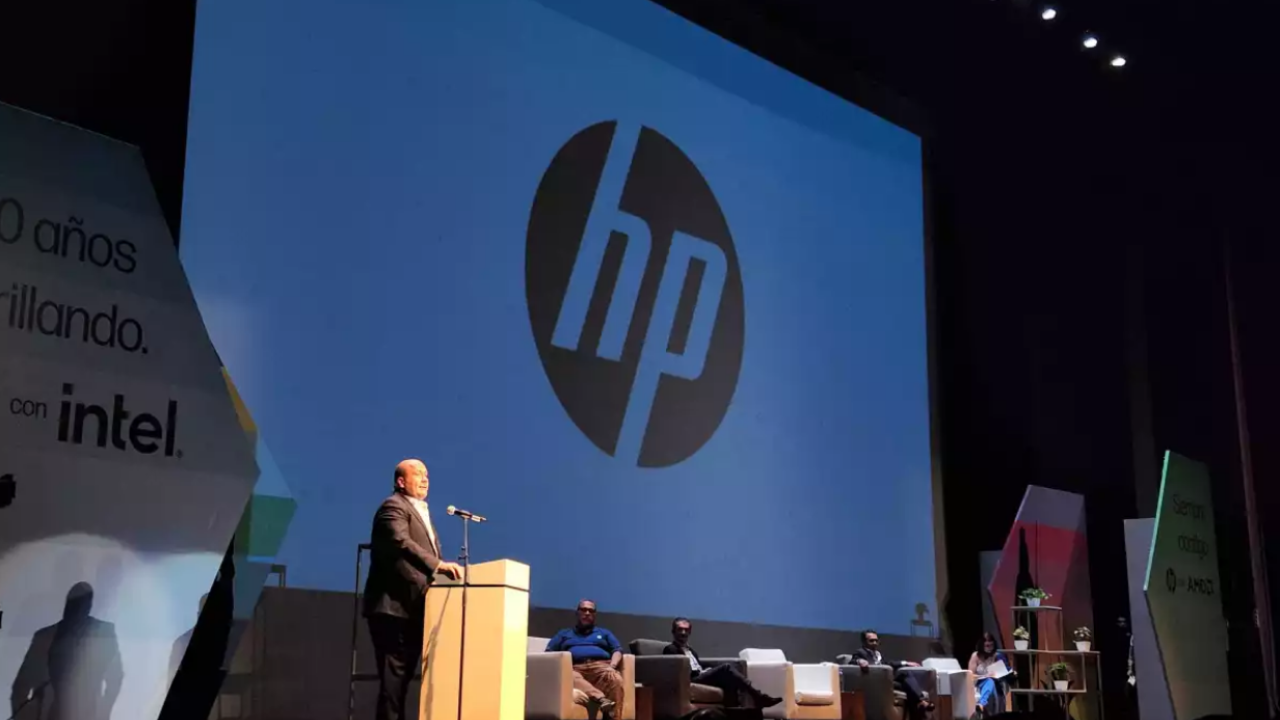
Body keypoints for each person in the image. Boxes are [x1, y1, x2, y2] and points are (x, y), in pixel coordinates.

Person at [362, 459, 464, 720]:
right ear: (400, 481)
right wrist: (438, 565)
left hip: (413, 609)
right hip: (392, 609)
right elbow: (401, 541)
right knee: (393, 686)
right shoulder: (393, 506)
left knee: (401, 684)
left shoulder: (420, 511)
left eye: (426, 474)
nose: (425, 478)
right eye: (418, 474)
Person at [665, 617, 782, 709]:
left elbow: (698, 667)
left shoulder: (692, 651)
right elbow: (677, 670)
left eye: (686, 630)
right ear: (673, 631)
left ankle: (734, 711)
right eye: (680, 629)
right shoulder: (671, 649)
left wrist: (706, 671)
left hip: (700, 675)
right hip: (690, 679)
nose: (683, 633)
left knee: (730, 677)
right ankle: (757, 696)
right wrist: (704, 672)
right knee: (726, 668)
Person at [546, 600, 625, 718]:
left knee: (616, 678)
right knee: (567, 675)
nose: (587, 613)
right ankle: (601, 699)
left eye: (591, 611)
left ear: (595, 614)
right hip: (575, 668)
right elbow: (549, 652)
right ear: (577, 613)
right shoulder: (564, 634)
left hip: (600, 667)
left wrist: (612, 666)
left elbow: (617, 650)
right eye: (583, 610)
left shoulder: (604, 633)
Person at [848, 630, 934, 719]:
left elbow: (888, 663)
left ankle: (920, 704)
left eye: (876, 640)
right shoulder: (861, 652)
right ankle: (921, 703)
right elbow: (853, 661)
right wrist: (860, 661)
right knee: (906, 682)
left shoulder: (877, 654)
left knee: (906, 678)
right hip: (876, 683)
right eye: (871, 641)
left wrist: (906, 663)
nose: (875, 643)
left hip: (886, 680)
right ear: (864, 642)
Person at [967, 632, 1010, 717]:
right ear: (981, 645)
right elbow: (970, 676)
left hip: (993, 683)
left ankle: (983, 706)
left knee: (991, 683)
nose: (990, 648)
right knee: (989, 681)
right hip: (978, 683)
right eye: (987, 646)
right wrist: (984, 676)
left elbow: (1003, 670)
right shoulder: (975, 656)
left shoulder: (996, 656)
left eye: (991, 646)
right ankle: (982, 704)